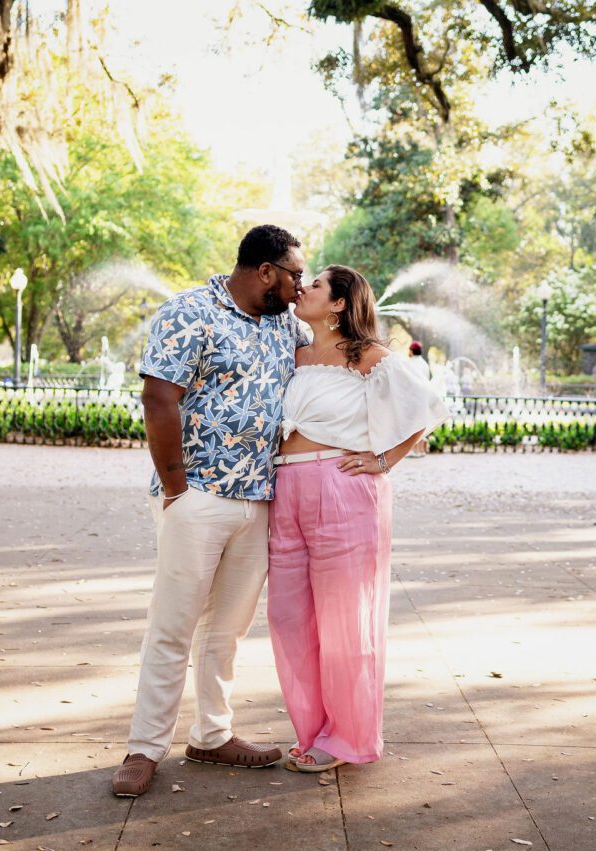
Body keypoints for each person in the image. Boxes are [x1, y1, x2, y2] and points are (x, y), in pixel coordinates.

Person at [111, 225, 309, 798]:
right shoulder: (190, 311)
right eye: (295, 274)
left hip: (259, 499)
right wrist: (177, 486)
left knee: (227, 630)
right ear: (266, 271)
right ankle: (145, 747)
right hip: (196, 495)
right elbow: (158, 397)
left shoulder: (285, 325)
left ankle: (212, 734)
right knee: (173, 625)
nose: (300, 286)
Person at [267, 265, 448, 773]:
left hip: (343, 490)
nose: (303, 288)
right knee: (289, 621)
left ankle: (347, 739)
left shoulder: (367, 356)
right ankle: (313, 731)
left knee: (347, 623)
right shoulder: (297, 354)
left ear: (341, 303)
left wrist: (384, 460)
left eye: (317, 285)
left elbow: (425, 409)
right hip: (287, 490)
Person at [405, 341, 432, 457]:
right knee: (421, 423)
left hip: (412, 397)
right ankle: (420, 450)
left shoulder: (409, 363)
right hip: (424, 397)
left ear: (411, 351)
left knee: (412, 425)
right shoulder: (425, 364)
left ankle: (413, 450)